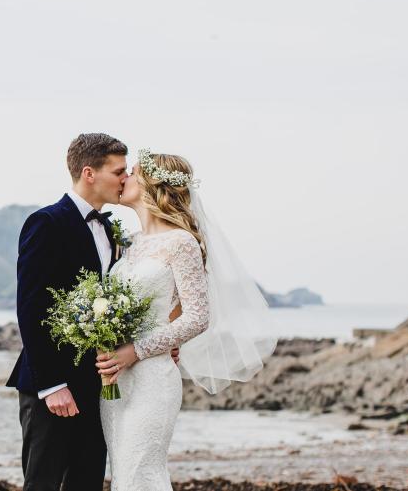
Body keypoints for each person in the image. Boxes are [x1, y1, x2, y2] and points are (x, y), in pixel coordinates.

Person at [94, 149, 276, 490]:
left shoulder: (181, 243)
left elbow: (197, 317)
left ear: (152, 184)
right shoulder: (128, 243)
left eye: (131, 172)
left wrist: (138, 350)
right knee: (122, 472)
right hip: (116, 380)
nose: (124, 179)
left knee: (141, 471)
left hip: (151, 378)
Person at [6, 133, 128, 491]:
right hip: (53, 386)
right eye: (118, 171)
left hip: (96, 383)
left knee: (86, 482)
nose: (125, 179)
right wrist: (51, 384)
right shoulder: (46, 223)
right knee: (43, 483)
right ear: (89, 173)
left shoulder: (109, 229)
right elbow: (31, 306)